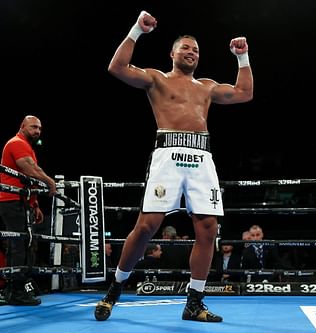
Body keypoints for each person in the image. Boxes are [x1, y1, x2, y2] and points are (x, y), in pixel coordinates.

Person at [95, 10, 253, 323]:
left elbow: (244, 93)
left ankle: (194, 301)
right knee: (146, 227)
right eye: (186, 48)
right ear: (173, 53)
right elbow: (116, 67)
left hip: (202, 159)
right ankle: (115, 288)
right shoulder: (156, 78)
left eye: (196, 49)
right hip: (167, 155)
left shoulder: (206, 86)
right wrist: (136, 31)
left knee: (208, 229)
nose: (192, 52)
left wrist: (243, 57)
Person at [0, 115, 57, 305]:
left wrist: (35, 204)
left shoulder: (27, 146)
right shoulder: (16, 143)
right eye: (33, 127)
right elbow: (30, 169)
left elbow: (29, 179)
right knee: (18, 246)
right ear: (22, 126)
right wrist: (50, 182)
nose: (37, 131)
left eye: (39, 128)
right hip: (12, 200)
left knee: (25, 246)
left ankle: (15, 289)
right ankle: (15, 291)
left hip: (23, 202)